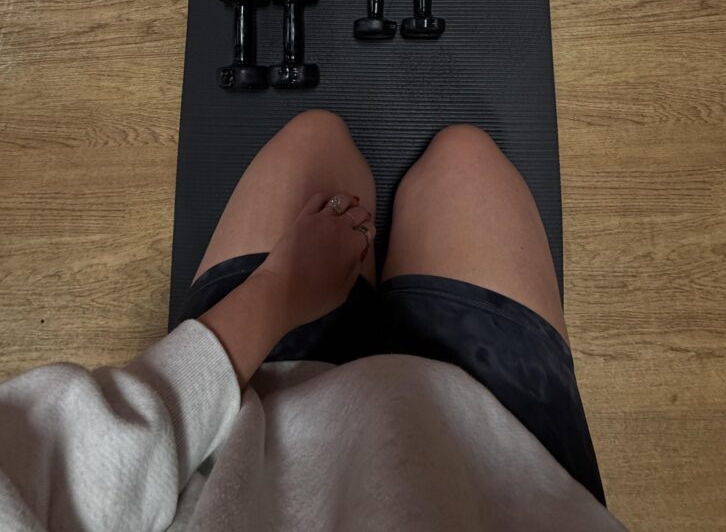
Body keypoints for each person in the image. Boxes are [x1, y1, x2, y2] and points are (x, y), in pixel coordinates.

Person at [0, 111, 626, 531]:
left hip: (252, 406)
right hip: (499, 459)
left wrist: (277, 289)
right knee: (462, 156)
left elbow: (80, 460)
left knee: (316, 136)